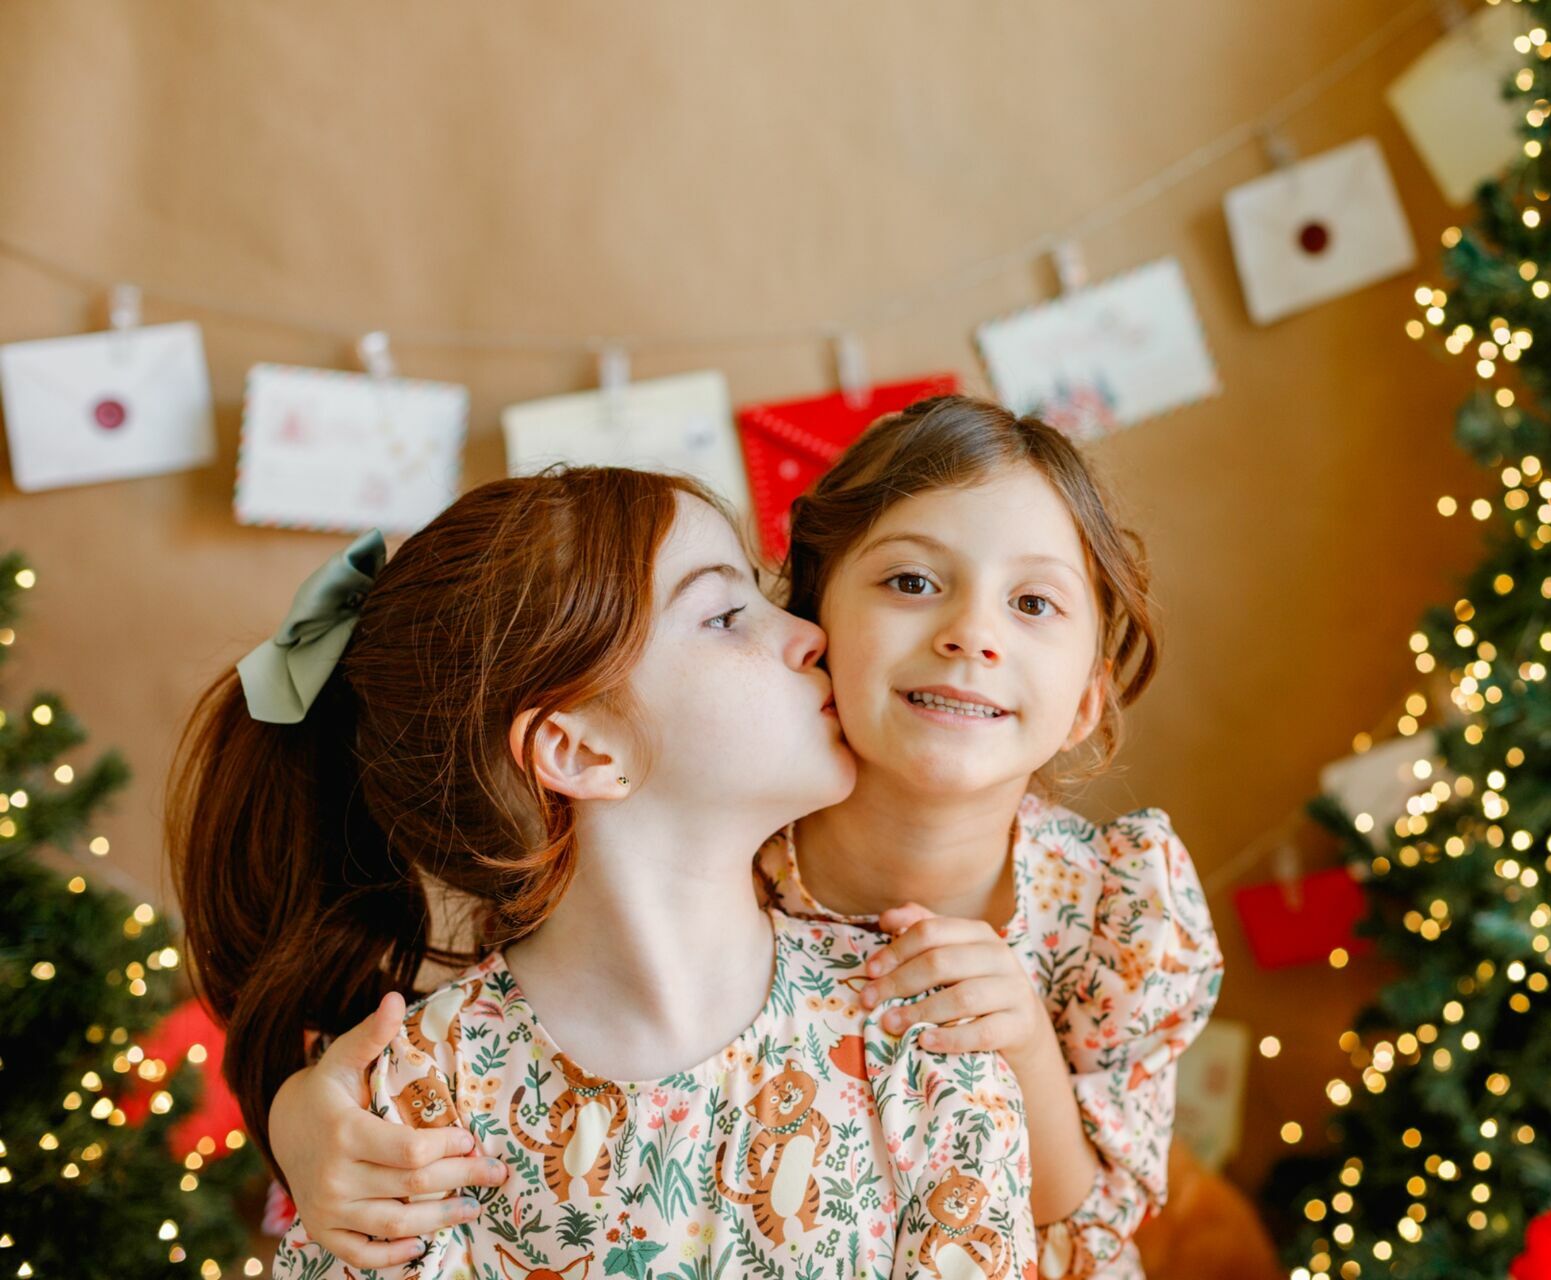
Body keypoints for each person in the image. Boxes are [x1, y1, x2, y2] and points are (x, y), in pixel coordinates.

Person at [167, 467, 1035, 1278]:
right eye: (726, 616)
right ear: (579, 749)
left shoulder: (920, 1027)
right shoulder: (411, 1115)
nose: (809, 636)